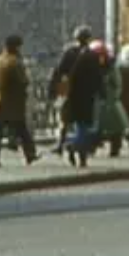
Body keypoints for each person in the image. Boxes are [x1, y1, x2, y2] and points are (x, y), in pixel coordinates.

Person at [51, 26, 106, 167]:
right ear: (88, 39)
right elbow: (98, 78)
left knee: (69, 121)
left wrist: (53, 90)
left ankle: (71, 148)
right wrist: (102, 93)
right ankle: (75, 149)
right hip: (86, 96)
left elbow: (58, 72)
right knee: (84, 126)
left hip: (70, 95)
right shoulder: (92, 56)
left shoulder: (68, 53)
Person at [0, 34, 36, 168]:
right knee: (23, 130)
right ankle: (30, 154)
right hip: (14, 102)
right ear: (16, 47)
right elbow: (24, 81)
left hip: (0, 100)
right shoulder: (15, 62)